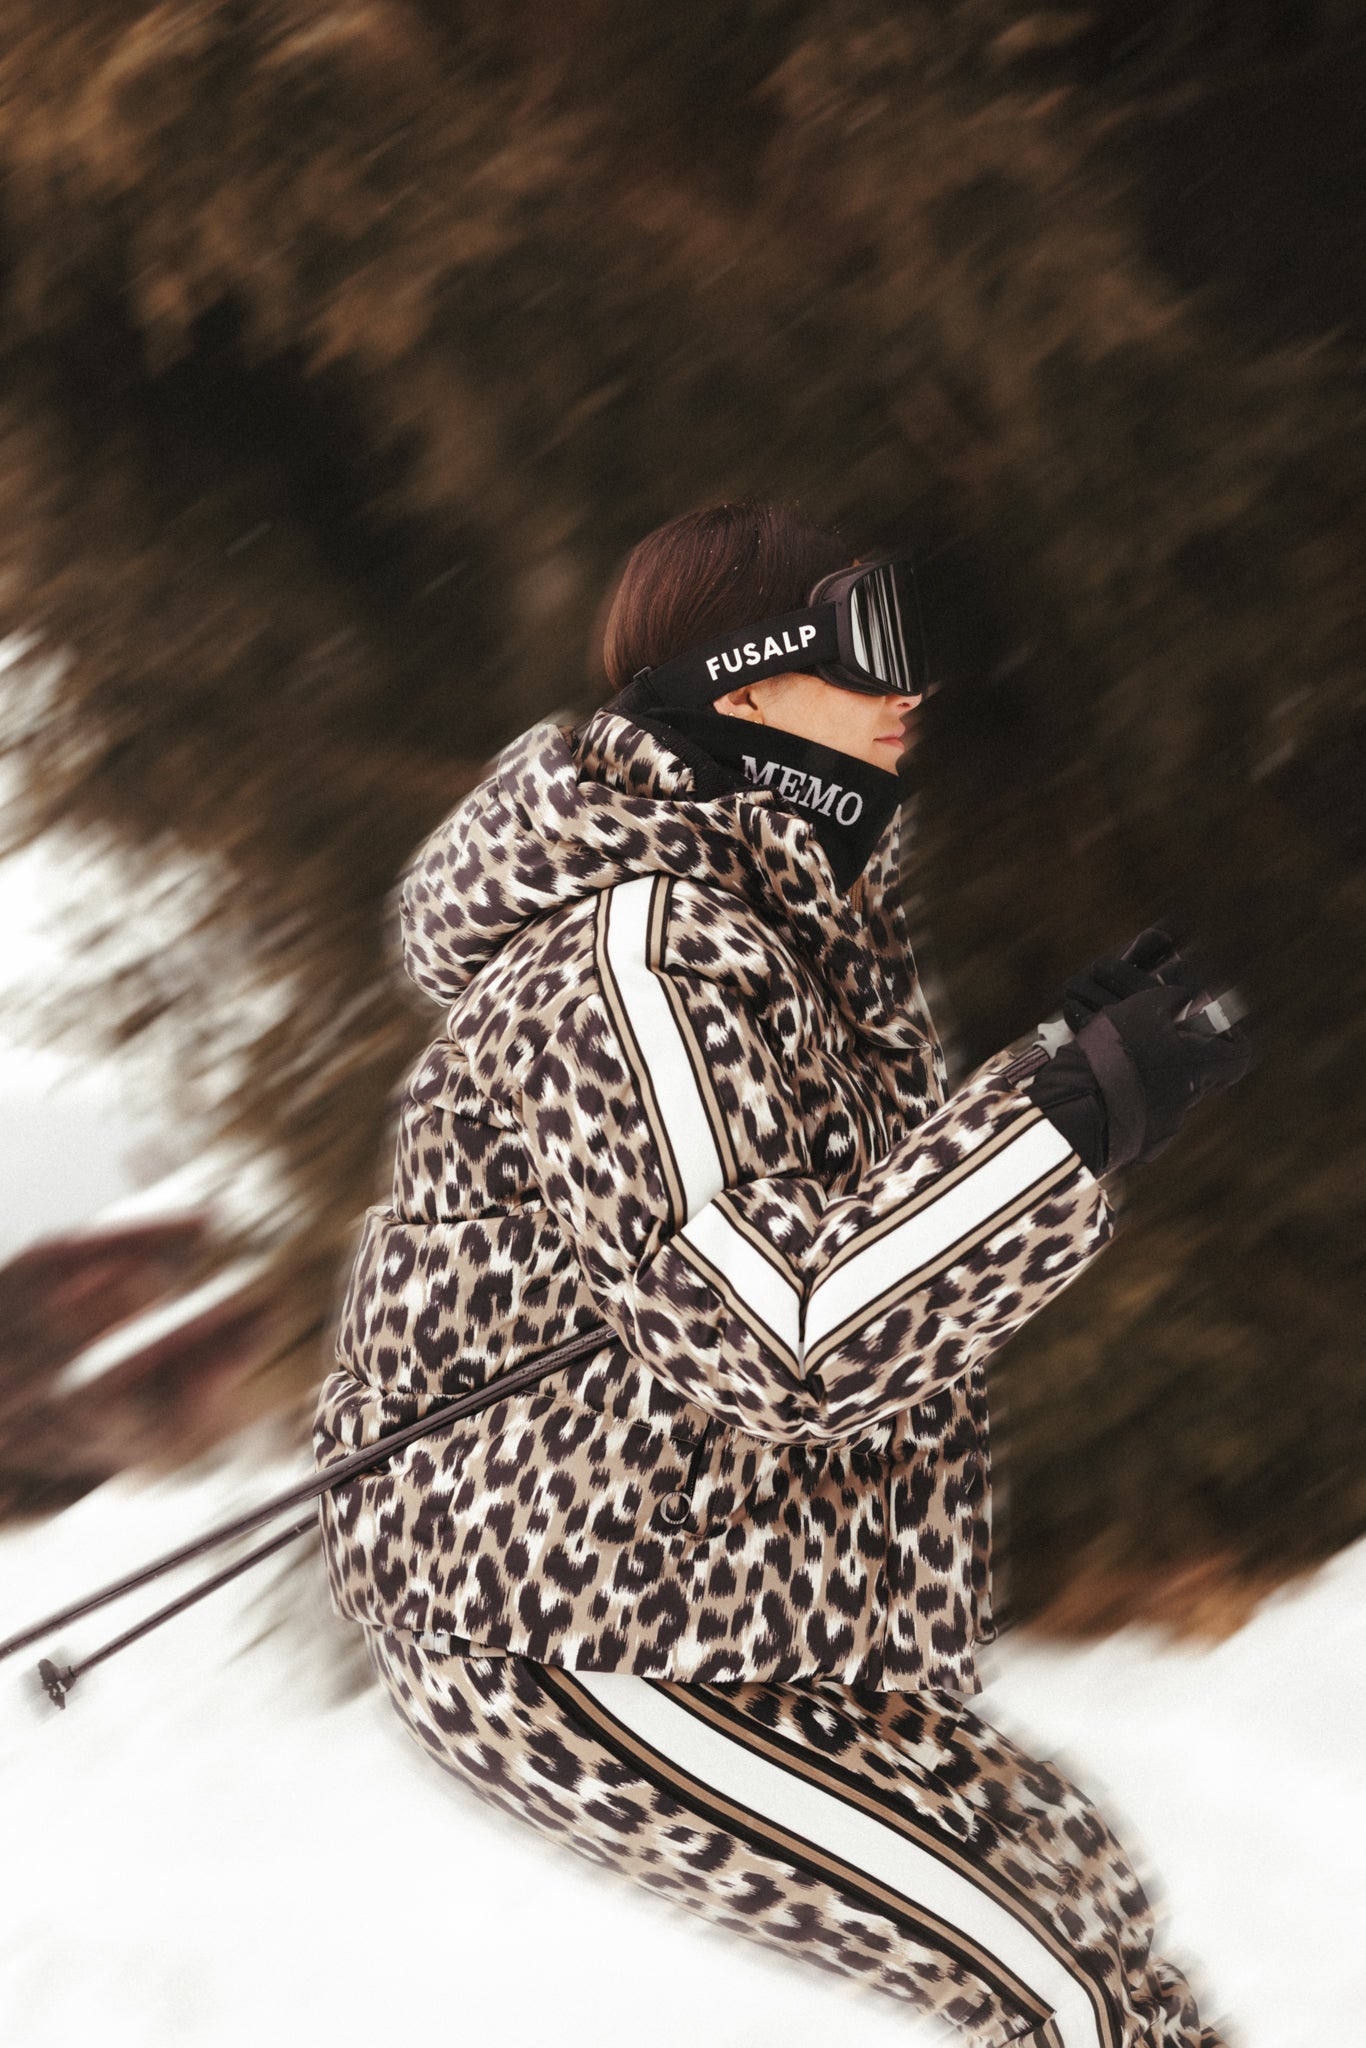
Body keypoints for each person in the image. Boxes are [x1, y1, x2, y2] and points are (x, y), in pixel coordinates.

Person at [312, 500, 1247, 2047]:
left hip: (752, 1613)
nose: (911, 685)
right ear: (739, 683)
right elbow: (782, 1331)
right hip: (578, 1627)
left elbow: (852, 1232)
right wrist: (1063, 1126)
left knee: (1089, 1911)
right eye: (867, 642)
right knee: (1058, 1990)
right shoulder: (628, 955)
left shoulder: (789, 933)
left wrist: (1065, 1080)